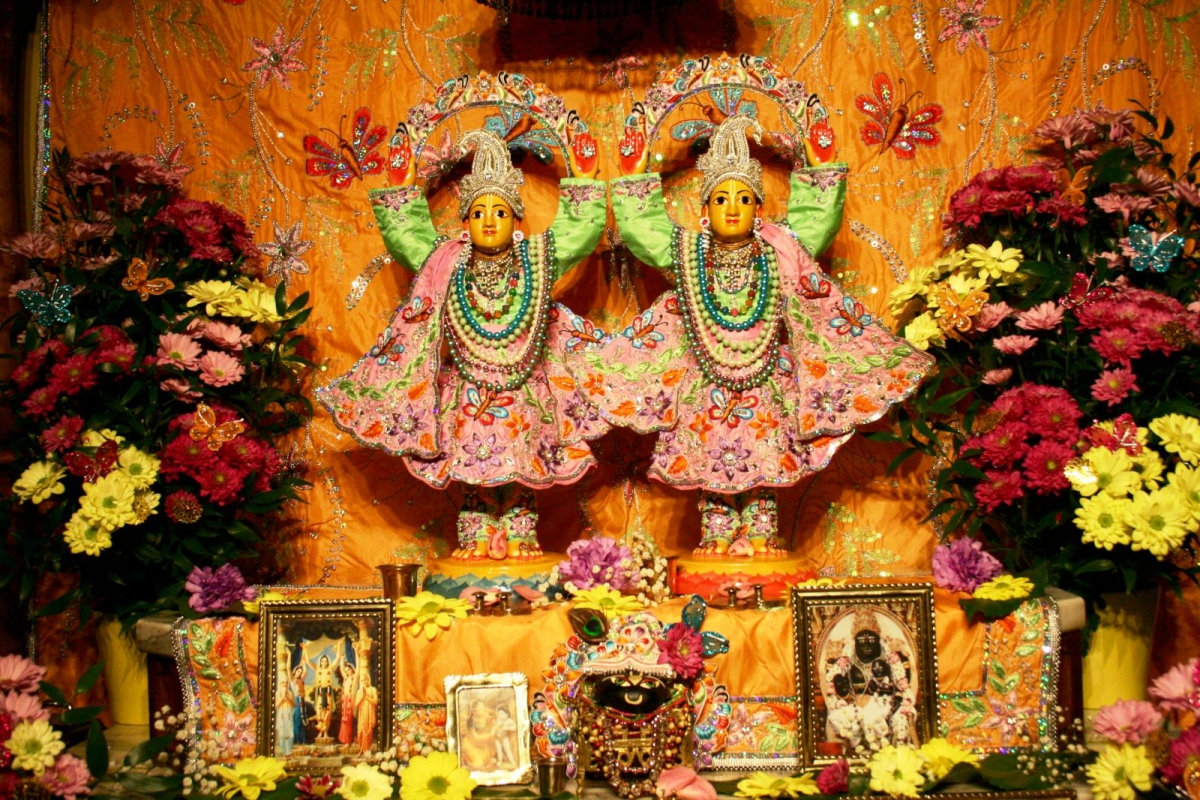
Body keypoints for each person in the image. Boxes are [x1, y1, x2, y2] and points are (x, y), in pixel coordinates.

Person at [570, 114, 933, 554]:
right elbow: (647, 231)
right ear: (704, 212)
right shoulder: (688, 253)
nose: (732, 208)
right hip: (706, 386)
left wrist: (819, 169)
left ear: (759, 211)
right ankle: (717, 534)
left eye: (744, 199)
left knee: (764, 465)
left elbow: (815, 223)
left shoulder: (779, 250)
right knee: (712, 467)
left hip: (765, 385)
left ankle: (760, 534)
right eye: (721, 199)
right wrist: (635, 179)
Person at [317, 127, 608, 559]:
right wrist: (400, 188)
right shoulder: (446, 262)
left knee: (522, 463)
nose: (489, 220)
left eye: (500, 212)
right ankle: (475, 534)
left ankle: (521, 532)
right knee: (471, 468)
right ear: (465, 223)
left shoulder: (535, 260)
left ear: (517, 222)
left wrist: (583, 180)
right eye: (478, 212)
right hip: (467, 391)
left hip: (524, 388)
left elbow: (577, 232)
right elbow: (409, 237)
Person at [459, 699, 498, 771]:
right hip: (471, 743)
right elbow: (475, 737)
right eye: (480, 709)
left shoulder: (486, 714)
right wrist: (490, 735)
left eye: (483, 707)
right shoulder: (471, 721)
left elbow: (494, 721)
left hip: (483, 743)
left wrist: (494, 724)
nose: (484, 709)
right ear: (474, 712)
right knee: (478, 763)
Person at [355, 669, 379, 754]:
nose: (363, 682)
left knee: (368, 731)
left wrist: (366, 697)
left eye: (365, 679)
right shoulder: (359, 691)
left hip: (370, 713)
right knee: (361, 732)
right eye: (362, 680)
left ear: (368, 679)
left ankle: (367, 750)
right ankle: (362, 749)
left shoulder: (373, 689)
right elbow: (356, 704)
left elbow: (376, 702)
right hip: (362, 713)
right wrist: (362, 697)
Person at [337, 661, 358, 746]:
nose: (347, 672)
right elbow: (341, 669)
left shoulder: (354, 677)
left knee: (349, 720)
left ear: (352, 669)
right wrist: (341, 659)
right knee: (344, 720)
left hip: (351, 700)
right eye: (346, 671)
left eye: (348, 670)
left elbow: (358, 668)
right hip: (345, 700)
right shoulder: (346, 678)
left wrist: (357, 655)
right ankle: (346, 741)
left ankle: (350, 740)